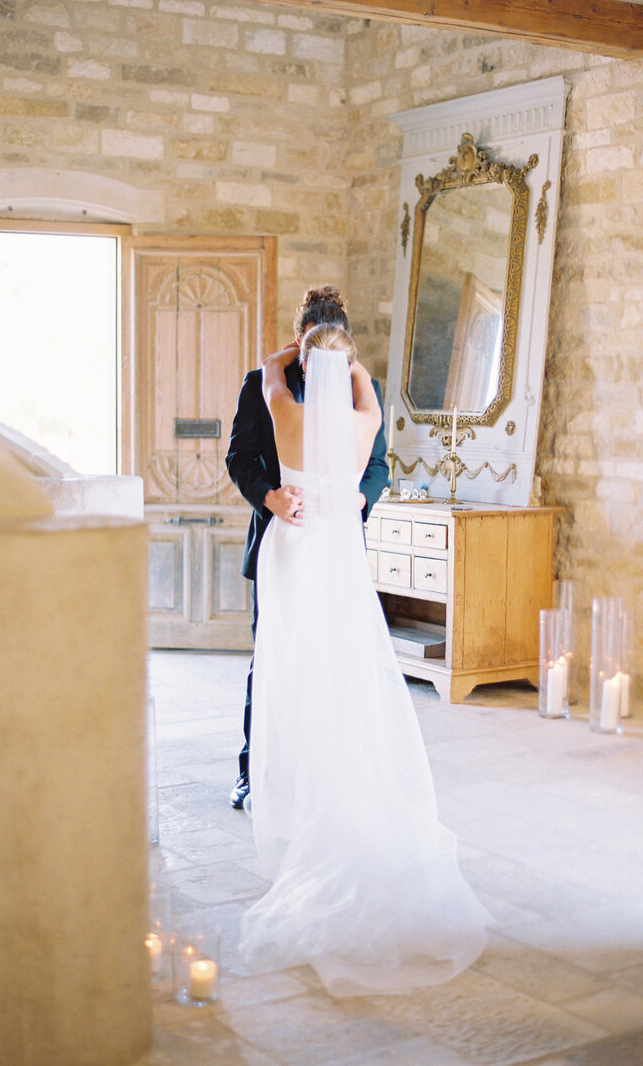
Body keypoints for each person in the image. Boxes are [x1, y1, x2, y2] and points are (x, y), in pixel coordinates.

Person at [239, 325, 490, 996]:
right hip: (333, 550)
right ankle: (318, 777)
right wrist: (345, 362)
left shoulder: (281, 405)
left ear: (302, 359)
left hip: (295, 552)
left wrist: (298, 352)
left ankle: (306, 787)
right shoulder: (366, 408)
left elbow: (271, 369)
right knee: (337, 665)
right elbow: (250, 457)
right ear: (347, 365)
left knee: (299, 669)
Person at [225, 287, 388, 810]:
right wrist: (269, 497)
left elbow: (380, 466)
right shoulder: (261, 389)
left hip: (335, 543)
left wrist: (357, 498)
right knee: (271, 657)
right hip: (285, 537)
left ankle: (325, 770)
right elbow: (240, 458)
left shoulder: (358, 390)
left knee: (332, 657)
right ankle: (254, 771)